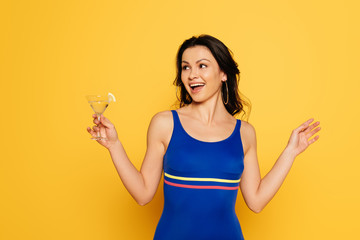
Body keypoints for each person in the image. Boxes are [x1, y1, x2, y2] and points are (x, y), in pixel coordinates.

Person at [86, 34, 321, 240]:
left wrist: (291, 151)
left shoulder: (245, 133)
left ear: (223, 74)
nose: (191, 75)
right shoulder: (165, 123)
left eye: (202, 66)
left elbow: (256, 201)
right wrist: (114, 145)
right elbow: (143, 194)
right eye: (185, 67)